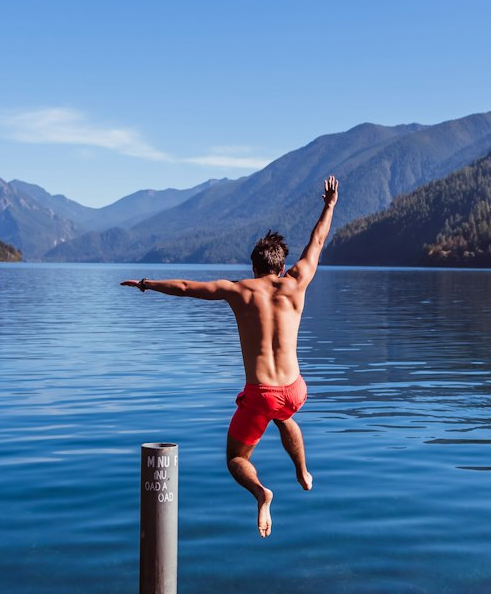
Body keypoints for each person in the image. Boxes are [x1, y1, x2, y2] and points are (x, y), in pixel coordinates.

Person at [121, 176, 339, 537]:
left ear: (253, 267)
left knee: (236, 459)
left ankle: (262, 493)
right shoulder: (297, 281)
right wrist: (329, 205)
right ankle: (302, 470)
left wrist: (146, 284)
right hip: (295, 389)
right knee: (284, 415)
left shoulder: (239, 291)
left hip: (262, 393)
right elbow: (317, 240)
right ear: (281, 266)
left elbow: (187, 288)